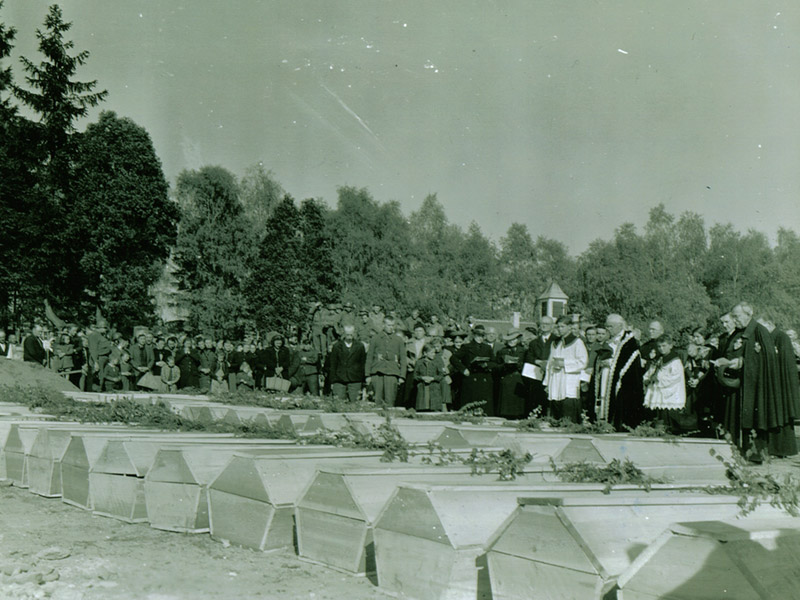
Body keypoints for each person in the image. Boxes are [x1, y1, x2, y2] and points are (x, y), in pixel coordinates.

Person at [716, 303, 796, 457]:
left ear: (748, 314)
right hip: (738, 385)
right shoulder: (738, 332)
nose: (734, 320)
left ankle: (753, 454)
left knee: (755, 420)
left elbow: (767, 360)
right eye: (733, 316)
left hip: (756, 387)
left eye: (737, 316)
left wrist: (741, 363)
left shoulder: (760, 331)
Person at [595, 314, 645, 429]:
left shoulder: (629, 343)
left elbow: (626, 365)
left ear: (620, 326)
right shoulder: (609, 341)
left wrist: (611, 365)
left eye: (610, 326)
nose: (608, 329)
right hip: (606, 377)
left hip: (623, 384)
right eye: (607, 326)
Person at [544, 316, 588, 423]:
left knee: (568, 409)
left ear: (569, 327)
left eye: (562, 327)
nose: (559, 329)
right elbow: (549, 364)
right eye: (558, 327)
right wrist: (547, 383)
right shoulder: (555, 343)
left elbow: (583, 362)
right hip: (555, 380)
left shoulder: (577, 342)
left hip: (569, 380)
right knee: (555, 407)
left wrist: (564, 363)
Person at [450, 324, 495, 414]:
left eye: (482, 336)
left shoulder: (487, 347)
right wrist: (463, 369)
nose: (480, 338)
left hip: (484, 378)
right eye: (478, 335)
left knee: (484, 406)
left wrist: (487, 364)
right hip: (471, 378)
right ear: (474, 335)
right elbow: (453, 358)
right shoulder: (466, 347)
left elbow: (494, 362)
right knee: (470, 405)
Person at [643, 333, 686, 421]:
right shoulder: (658, 359)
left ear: (670, 346)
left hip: (670, 392)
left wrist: (658, 379)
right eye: (659, 346)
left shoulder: (675, 361)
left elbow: (675, 377)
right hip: (658, 390)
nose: (661, 349)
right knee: (657, 411)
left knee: (667, 413)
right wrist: (647, 378)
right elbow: (650, 371)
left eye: (664, 346)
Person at [366, 316, 407, 407]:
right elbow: (369, 357)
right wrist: (367, 375)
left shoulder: (398, 340)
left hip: (392, 373)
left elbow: (403, 359)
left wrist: (402, 376)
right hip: (377, 373)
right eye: (388, 325)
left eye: (392, 325)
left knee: (390, 401)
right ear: (383, 325)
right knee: (377, 401)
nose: (391, 327)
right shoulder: (375, 338)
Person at [523, 316, 555, 415]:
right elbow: (528, 357)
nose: (544, 326)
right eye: (542, 324)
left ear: (552, 326)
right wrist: (538, 362)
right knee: (537, 396)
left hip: (552, 372)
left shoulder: (557, 341)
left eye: (547, 324)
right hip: (537, 374)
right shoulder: (534, 342)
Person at [329, 324, 366, 402]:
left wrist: (363, 381)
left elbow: (363, 364)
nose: (349, 336)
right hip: (339, 379)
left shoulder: (360, 346)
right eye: (347, 334)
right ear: (343, 333)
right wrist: (332, 381)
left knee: (355, 403)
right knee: (338, 403)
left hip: (355, 379)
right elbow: (333, 364)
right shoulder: (337, 346)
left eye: (351, 334)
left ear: (354, 333)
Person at [495, 328, 527, 419]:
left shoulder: (524, 351)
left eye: (514, 339)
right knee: (506, 406)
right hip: (506, 378)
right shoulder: (502, 351)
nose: (511, 341)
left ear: (518, 340)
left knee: (518, 406)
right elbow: (496, 366)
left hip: (518, 379)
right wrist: (504, 365)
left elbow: (527, 364)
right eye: (509, 340)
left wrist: (519, 365)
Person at [414, 344, 444, 411]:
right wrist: (422, 378)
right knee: (422, 409)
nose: (434, 354)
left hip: (434, 389)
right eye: (431, 353)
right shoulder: (419, 362)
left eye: (434, 352)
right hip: (422, 388)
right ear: (425, 353)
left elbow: (441, 375)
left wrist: (433, 378)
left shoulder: (437, 362)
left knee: (434, 409)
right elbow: (415, 376)